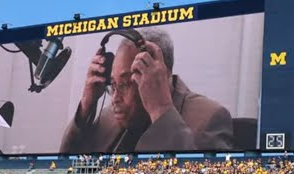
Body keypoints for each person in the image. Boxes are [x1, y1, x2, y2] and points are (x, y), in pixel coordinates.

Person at [60, 27, 233, 153]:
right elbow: (62, 169)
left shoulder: (209, 119)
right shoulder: (107, 118)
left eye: (127, 84)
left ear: (161, 75)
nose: (115, 99)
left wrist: (161, 110)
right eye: (113, 85)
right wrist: (85, 107)